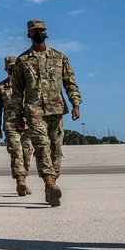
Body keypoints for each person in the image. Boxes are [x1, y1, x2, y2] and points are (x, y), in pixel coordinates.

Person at [11, 20, 82, 207]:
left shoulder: (59, 57)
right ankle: (50, 183)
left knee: (56, 150)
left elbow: (70, 82)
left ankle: (51, 186)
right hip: (34, 111)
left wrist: (76, 104)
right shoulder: (22, 61)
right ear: (29, 35)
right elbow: (17, 91)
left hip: (56, 110)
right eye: (35, 31)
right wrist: (18, 115)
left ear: (46, 33)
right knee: (42, 146)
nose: (39, 33)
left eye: (41, 30)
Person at [0, 56, 35, 196]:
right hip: (11, 125)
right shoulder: (0, 88)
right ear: (6, 69)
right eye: (10, 67)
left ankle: (24, 178)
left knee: (27, 154)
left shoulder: (27, 85)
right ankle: (20, 181)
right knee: (16, 153)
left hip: (28, 125)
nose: (13, 70)